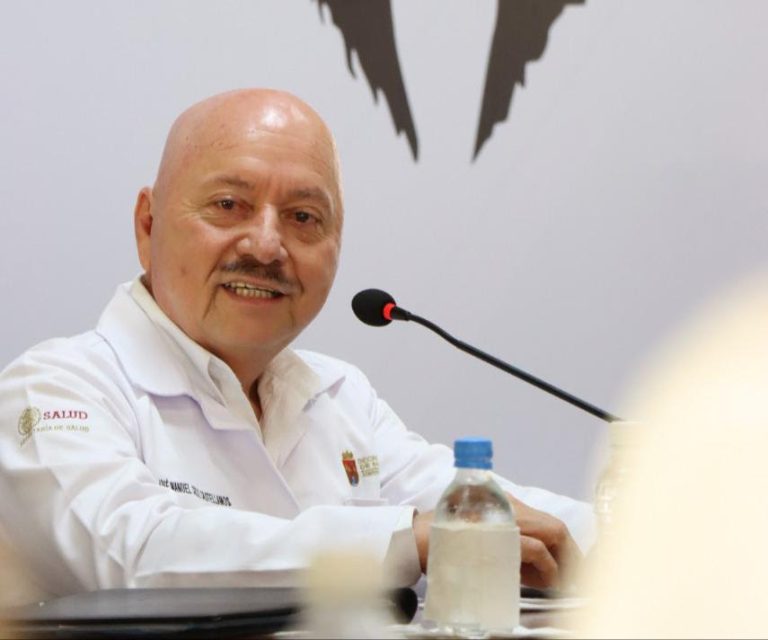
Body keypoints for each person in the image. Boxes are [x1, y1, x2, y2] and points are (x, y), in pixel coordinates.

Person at [0, 89, 593, 599]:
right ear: (147, 224)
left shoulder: (338, 395)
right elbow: (134, 554)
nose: (265, 246)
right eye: (228, 205)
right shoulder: (56, 387)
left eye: (304, 217)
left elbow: (480, 506)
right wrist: (405, 541)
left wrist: (627, 540)